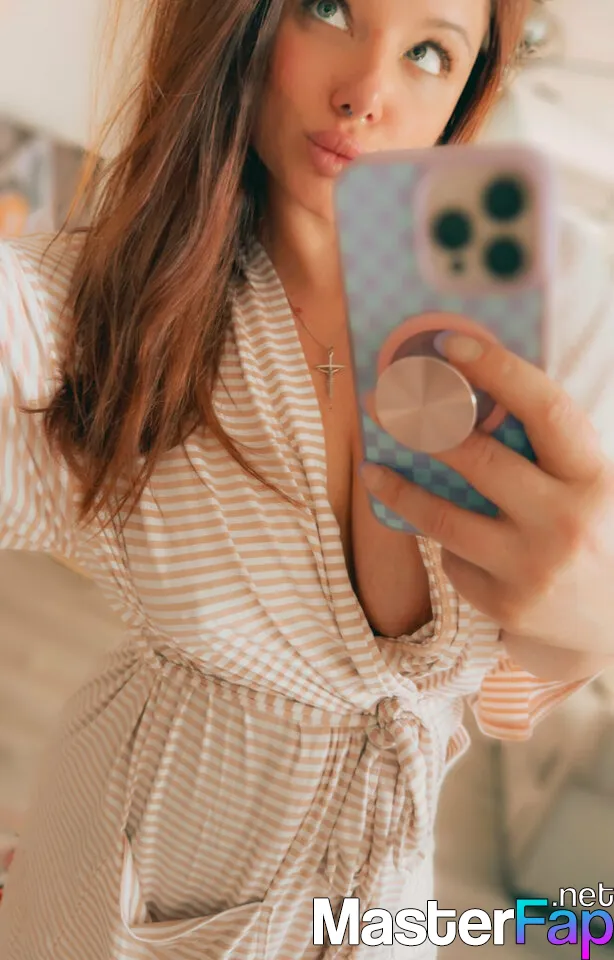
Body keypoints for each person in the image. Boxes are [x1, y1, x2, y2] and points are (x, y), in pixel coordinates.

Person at [1, 0, 614, 957]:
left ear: (467, 91)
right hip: (118, 878)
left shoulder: (561, 309)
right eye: (328, 8)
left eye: (428, 52)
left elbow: (518, 686)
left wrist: (594, 626)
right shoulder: (122, 304)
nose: (365, 93)